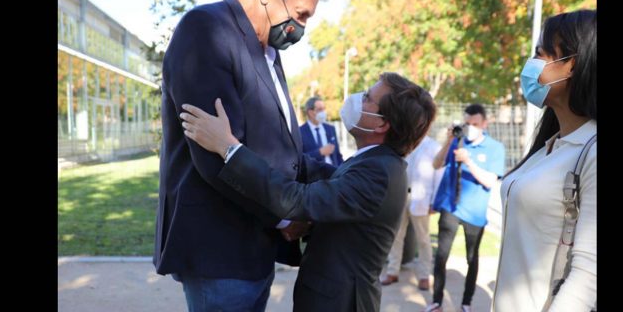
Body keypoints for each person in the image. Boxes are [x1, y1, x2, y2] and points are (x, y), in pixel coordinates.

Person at [152, 0, 331, 311]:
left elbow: (281, 149)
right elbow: (212, 155)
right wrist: (284, 216)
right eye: (301, 14)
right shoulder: (206, 29)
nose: (301, 28)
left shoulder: (266, 49)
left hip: (255, 243)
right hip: (220, 250)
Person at [179, 72, 436, 312]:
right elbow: (323, 178)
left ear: (382, 125)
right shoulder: (377, 161)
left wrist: (229, 148)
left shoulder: (379, 171)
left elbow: (295, 200)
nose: (359, 98)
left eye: (368, 98)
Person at [492, 9, 596, 312]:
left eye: (542, 53)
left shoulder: (592, 151)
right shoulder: (550, 147)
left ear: (573, 65)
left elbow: (589, 275)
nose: (532, 64)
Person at [425, 104, 506, 312]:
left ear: (484, 124)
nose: (470, 128)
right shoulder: (457, 141)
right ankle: (436, 302)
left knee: (472, 258)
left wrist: (468, 161)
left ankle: (466, 303)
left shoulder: (495, 148)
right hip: (451, 207)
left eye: (475, 124)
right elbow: (436, 164)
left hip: (475, 213)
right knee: (441, 256)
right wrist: (448, 141)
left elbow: (489, 181)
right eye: (467, 123)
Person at [381, 134, 443, 291]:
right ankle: (392, 270)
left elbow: (438, 174)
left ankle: (424, 275)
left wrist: (434, 201)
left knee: (423, 238)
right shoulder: (402, 142)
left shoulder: (433, 146)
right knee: (396, 235)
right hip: (400, 195)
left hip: (421, 197)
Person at [300, 96, 344, 166]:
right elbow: (299, 158)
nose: (323, 112)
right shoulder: (300, 132)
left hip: (334, 173)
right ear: (310, 112)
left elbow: (338, 154)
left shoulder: (330, 129)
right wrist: (319, 152)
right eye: (320, 109)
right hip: (314, 174)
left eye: (324, 109)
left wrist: (343, 170)